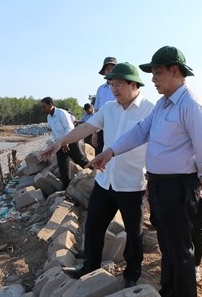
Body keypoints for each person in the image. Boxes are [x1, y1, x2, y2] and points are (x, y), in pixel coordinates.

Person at [88, 46, 202, 297]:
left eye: (157, 73)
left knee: (180, 251)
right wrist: (110, 151)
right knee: (168, 248)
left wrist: (198, 183)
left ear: (175, 71)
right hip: (160, 186)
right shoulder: (162, 105)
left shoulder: (191, 104)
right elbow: (140, 132)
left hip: (179, 186)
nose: (153, 79)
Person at [40, 62, 154, 288]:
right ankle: (90, 265)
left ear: (134, 84)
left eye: (119, 84)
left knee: (134, 232)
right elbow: (86, 128)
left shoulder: (150, 110)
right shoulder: (109, 108)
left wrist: (152, 178)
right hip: (105, 179)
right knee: (93, 224)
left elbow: (156, 147)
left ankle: (132, 274)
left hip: (132, 183)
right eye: (111, 85)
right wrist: (60, 142)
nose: (114, 89)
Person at [40, 97, 89, 189]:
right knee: (62, 166)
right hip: (59, 144)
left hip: (70, 142)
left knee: (80, 160)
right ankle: (66, 187)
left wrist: (65, 142)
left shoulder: (61, 113)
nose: (43, 109)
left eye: (44, 106)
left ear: (50, 105)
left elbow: (69, 128)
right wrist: (57, 144)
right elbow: (54, 133)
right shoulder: (49, 117)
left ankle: (96, 175)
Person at [93, 56, 117, 154]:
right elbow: (96, 111)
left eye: (112, 68)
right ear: (104, 71)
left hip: (117, 129)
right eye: (107, 69)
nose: (110, 71)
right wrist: (94, 133)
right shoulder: (100, 89)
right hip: (102, 129)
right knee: (100, 159)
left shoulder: (123, 88)